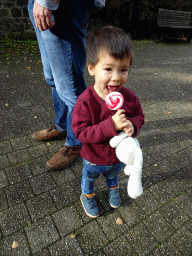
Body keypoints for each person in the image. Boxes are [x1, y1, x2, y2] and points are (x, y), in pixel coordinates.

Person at [72, 26, 145, 218]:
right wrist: (110, 125)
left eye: (123, 70)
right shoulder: (85, 102)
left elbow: (139, 116)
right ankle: (87, 194)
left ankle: (113, 188)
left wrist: (133, 125)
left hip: (116, 158)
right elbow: (81, 132)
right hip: (93, 158)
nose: (116, 77)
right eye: (108, 69)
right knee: (89, 178)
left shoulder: (129, 98)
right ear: (91, 68)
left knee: (113, 176)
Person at [27, 0, 105, 171]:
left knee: (70, 87)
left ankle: (77, 141)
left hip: (64, 5)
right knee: (53, 77)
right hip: (40, 4)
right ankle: (63, 125)